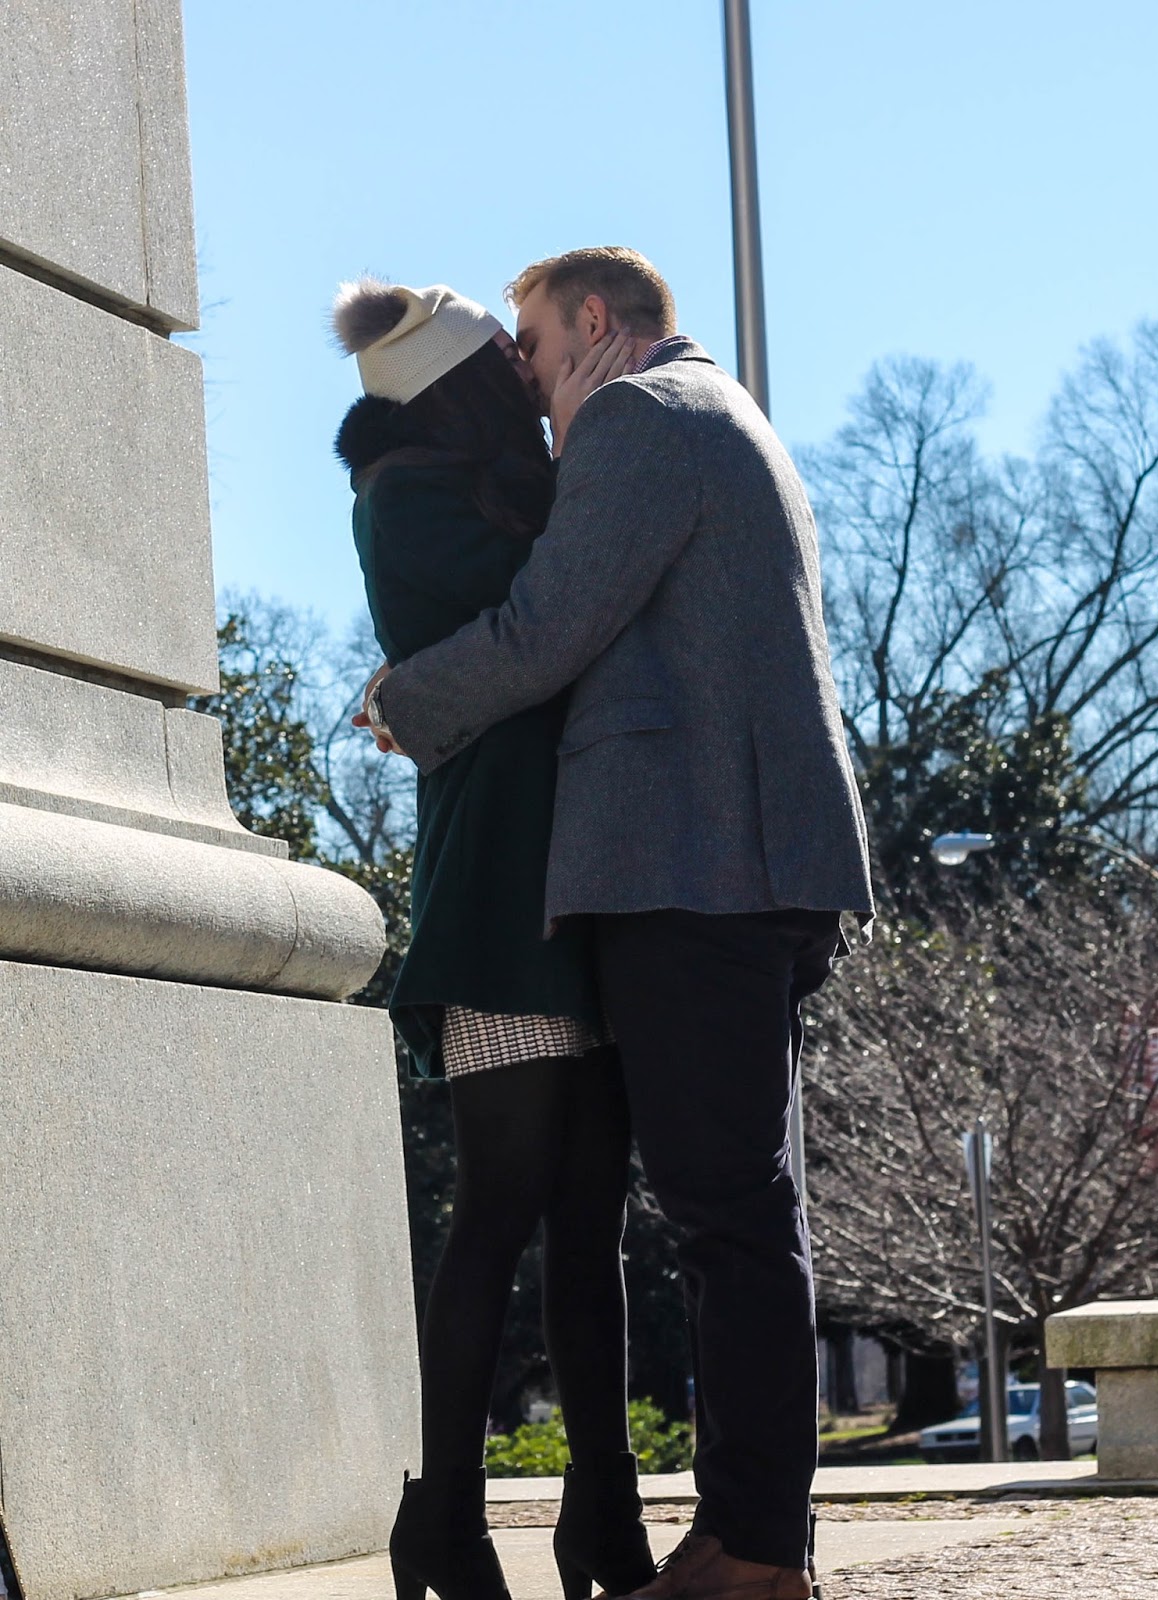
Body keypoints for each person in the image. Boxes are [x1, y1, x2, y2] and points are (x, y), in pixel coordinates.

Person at [360, 247, 875, 1600]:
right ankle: (740, 1539)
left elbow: (546, 627)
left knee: (728, 1219)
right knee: (729, 1214)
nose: (528, 384)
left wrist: (405, 697)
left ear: (595, 325)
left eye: (531, 345)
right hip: (713, 861)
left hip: (696, 864)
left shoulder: (644, 418)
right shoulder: (717, 411)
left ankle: (752, 1552)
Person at [332, 278, 653, 1600]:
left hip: (583, 883)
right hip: (498, 891)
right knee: (500, 1210)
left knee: (592, 1227)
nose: (531, 381)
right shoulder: (407, 495)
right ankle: (447, 1521)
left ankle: (605, 1513)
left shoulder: (514, 479)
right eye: (508, 367)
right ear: (466, 382)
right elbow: (546, 617)